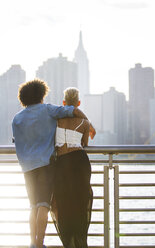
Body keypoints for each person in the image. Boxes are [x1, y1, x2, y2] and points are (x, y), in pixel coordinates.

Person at [12, 79, 95, 248]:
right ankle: (39, 243)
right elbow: (72, 111)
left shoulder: (17, 118)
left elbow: (16, 140)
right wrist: (89, 124)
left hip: (26, 167)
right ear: (41, 95)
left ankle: (32, 243)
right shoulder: (47, 109)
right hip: (45, 164)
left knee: (33, 205)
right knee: (44, 204)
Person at [51, 87, 93, 248]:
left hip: (62, 163)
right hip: (80, 162)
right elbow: (84, 144)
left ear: (63, 103)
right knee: (80, 201)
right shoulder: (85, 122)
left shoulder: (56, 121)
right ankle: (80, 240)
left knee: (62, 200)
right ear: (79, 103)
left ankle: (68, 241)